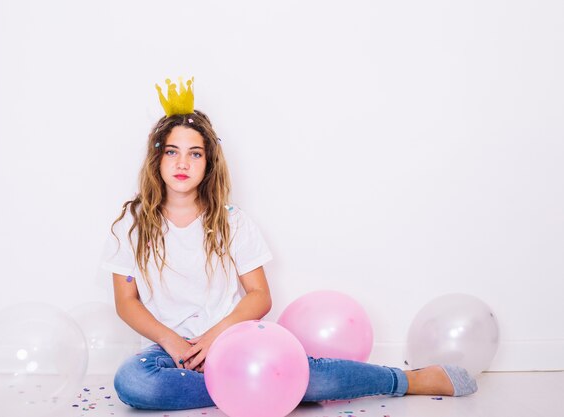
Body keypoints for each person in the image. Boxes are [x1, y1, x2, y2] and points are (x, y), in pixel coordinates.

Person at [101, 78, 478, 411]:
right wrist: (174, 343)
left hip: (232, 339)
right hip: (169, 353)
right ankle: (267, 384)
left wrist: (215, 337)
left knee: (291, 368)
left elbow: (258, 296)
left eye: (194, 153)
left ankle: (407, 380)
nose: (182, 162)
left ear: (208, 163)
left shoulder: (232, 221)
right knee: (134, 383)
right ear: (157, 158)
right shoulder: (130, 225)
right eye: (172, 151)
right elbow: (127, 301)